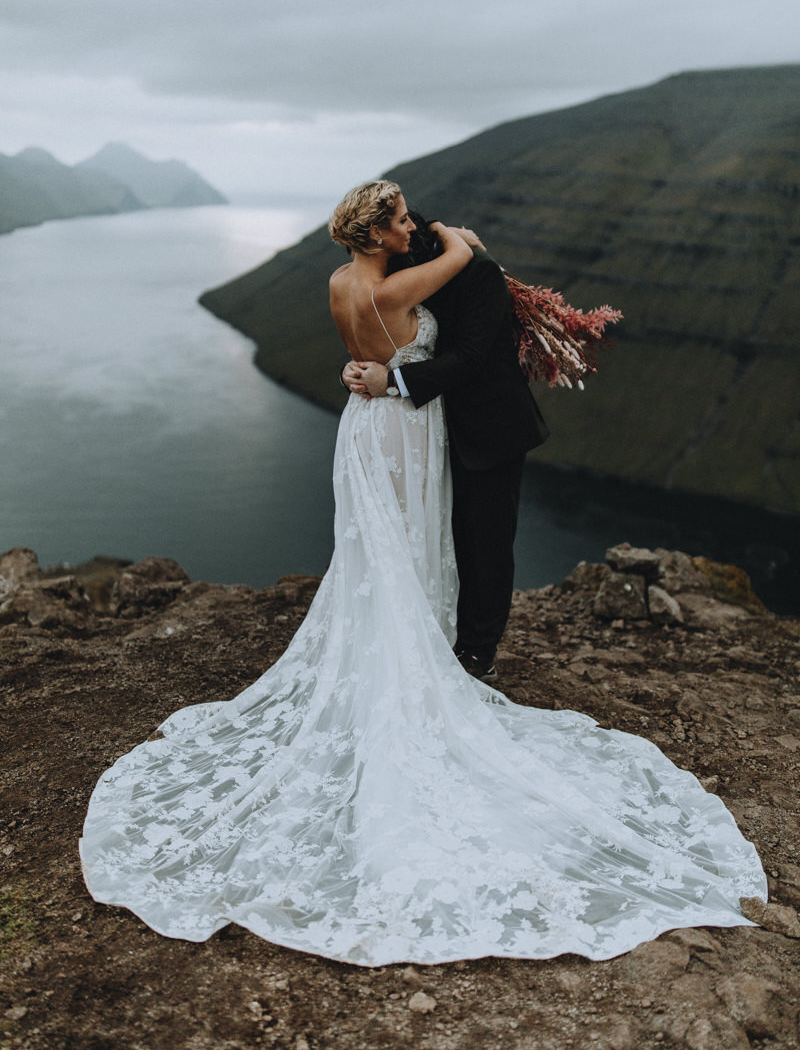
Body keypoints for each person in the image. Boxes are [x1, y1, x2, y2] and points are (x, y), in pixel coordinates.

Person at [80, 179, 766, 968]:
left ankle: (444, 651)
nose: (413, 223)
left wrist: (382, 366)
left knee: (394, 549)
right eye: (398, 218)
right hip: (404, 426)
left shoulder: (343, 279)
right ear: (375, 234)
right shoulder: (424, 270)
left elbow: (446, 343)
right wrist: (460, 250)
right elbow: (451, 302)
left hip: (375, 425)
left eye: (409, 216)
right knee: (409, 545)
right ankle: (438, 666)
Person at [342, 207, 549, 683]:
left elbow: (472, 358)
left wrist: (391, 381)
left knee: (486, 543)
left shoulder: (479, 275)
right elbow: (385, 338)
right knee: (440, 536)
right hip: (432, 428)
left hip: (490, 428)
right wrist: (353, 370)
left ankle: (478, 653)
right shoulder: (404, 274)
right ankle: (437, 635)